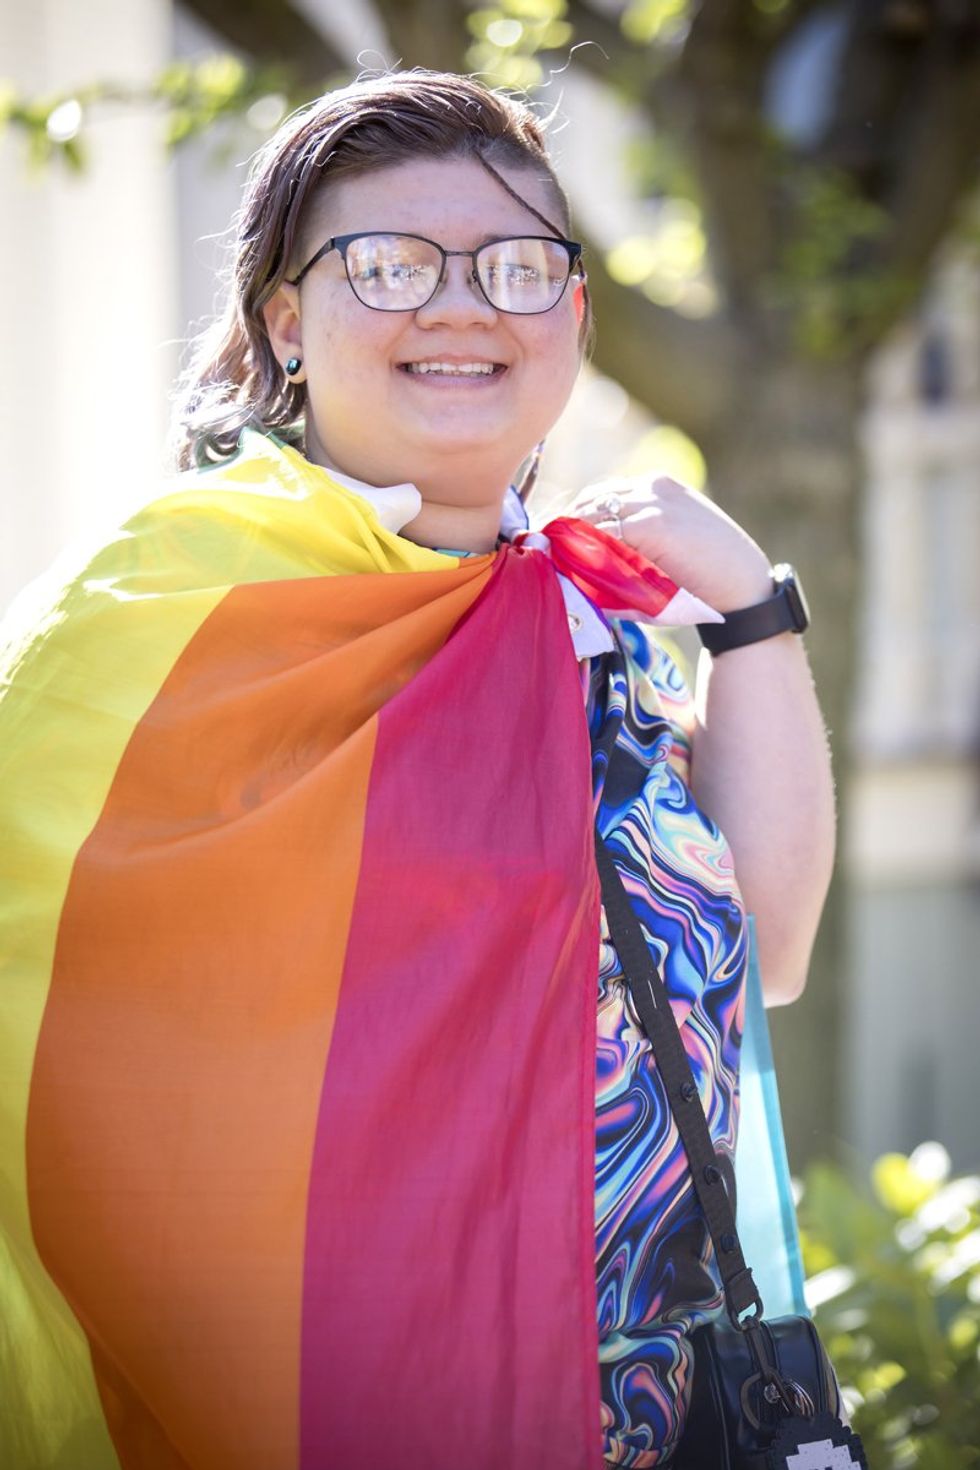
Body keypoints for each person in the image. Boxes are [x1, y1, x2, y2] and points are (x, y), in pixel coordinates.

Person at [0, 69, 835, 1470]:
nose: (463, 305)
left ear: (572, 315)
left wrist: (752, 614)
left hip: (656, 1406)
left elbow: (770, 954)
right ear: (287, 322)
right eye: (390, 265)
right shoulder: (167, 619)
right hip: (334, 1405)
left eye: (518, 267)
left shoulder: (597, 627)